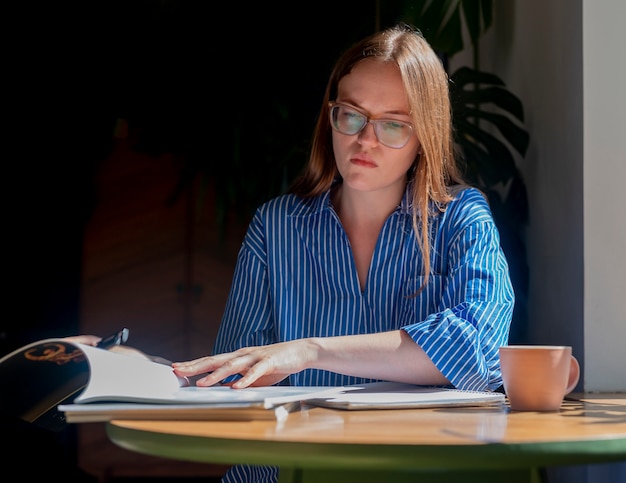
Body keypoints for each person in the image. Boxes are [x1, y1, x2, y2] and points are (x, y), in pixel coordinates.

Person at [172, 23, 514, 483]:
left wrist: (308, 352)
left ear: (423, 137)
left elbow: (476, 349)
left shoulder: (461, 219)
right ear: (330, 115)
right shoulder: (276, 227)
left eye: (393, 124)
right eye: (352, 114)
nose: (365, 140)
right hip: (289, 472)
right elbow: (237, 381)